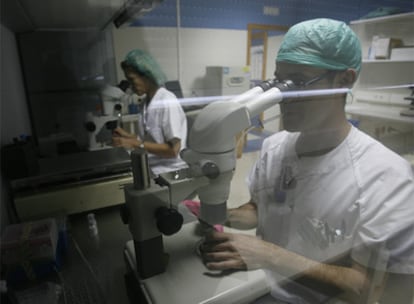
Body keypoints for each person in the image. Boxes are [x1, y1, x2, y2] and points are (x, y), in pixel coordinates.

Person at [200, 18, 414, 303]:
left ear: (345, 80)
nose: (282, 96)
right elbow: (260, 208)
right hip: (259, 287)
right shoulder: (274, 147)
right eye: (278, 80)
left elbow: (367, 289)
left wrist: (271, 255)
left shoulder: (386, 178)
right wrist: (219, 212)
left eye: (298, 81)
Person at [112, 49, 188, 176]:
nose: (130, 85)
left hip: (170, 172)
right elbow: (152, 140)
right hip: (153, 168)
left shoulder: (166, 100)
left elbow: (173, 150)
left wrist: (133, 143)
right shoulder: (146, 102)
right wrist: (127, 137)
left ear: (147, 75)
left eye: (132, 79)